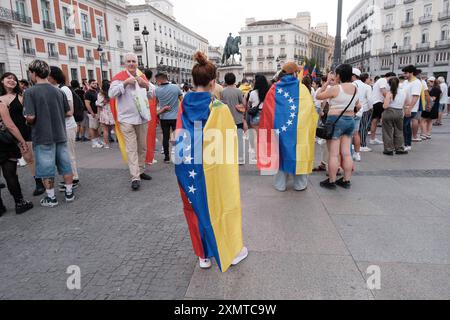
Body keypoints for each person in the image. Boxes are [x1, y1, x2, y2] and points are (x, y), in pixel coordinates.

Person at [175, 51, 248, 271]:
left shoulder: (183, 104)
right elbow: (226, 146)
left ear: (193, 80)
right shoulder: (219, 108)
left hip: (186, 166)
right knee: (220, 204)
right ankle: (230, 250)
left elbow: (178, 135)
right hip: (212, 167)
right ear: (213, 82)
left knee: (194, 208)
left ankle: (203, 255)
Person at [258, 62, 318, 192]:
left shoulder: (274, 88)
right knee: (299, 154)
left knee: (280, 153)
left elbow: (267, 111)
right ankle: (300, 184)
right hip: (298, 130)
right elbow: (310, 111)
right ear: (295, 73)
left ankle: (280, 184)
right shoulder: (302, 89)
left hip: (279, 128)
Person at [23, 60, 75, 207]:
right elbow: (68, 112)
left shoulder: (30, 92)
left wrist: (28, 120)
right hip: (60, 133)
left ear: (34, 73)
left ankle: (51, 198)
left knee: (46, 168)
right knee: (66, 164)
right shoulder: (58, 91)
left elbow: (31, 117)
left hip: (42, 135)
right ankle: (69, 193)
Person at [109, 52, 152, 191]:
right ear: (125, 63)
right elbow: (111, 94)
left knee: (142, 146)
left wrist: (146, 85)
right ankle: (135, 177)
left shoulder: (142, 76)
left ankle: (140, 169)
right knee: (131, 148)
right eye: (129, 61)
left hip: (142, 117)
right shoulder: (119, 78)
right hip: (126, 119)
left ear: (137, 63)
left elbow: (152, 93)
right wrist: (125, 83)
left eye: (134, 61)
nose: (132, 63)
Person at [0, 72, 45, 196]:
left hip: (25, 131)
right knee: (10, 164)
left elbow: (31, 112)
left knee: (29, 158)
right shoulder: (0, 99)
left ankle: (39, 183)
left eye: (14, 79)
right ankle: (16, 191)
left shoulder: (22, 95)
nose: (12, 80)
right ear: (2, 81)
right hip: (8, 135)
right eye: (8, 78)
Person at [316, 64, 360, 189]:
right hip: (350, 121)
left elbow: (318, 95)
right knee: (346, 153)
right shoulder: (355, 89)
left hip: (335, 121)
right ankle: (346, 180)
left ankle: (332, 181)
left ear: (339, 75)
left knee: (334, 154)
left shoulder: (336, 88)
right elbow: (359, 105)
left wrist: (327, 82)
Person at [48, 66, 80, 192]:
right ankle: (70, 178)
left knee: (69, 154)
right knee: (63, 154)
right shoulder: (53, 88)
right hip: (60, 126)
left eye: (48, 75)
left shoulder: (64, 89)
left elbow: (70, 111)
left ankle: (74, 178)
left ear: (53, 76)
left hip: (68, 126)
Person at [0, 97, 34, 215]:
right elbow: (10, 126)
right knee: (10, 175)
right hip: (4, 145)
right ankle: (19, 203)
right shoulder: (0, 105)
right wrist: (22, 141)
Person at [155, 71, 183, 164]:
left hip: (164, 117)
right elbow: (182, 101)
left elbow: (155, 104)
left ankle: (167, 157)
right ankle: (179, 156)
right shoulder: (175, 87)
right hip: (175, 117)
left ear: (159, 79)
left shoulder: (157, 90)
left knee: (166, 137)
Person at [220, 73, 246, 163]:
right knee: (239, 139)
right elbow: (244, 104)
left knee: (228, 138)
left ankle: (230, 157)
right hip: (238, 118)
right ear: (234, 80)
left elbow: (221, 104)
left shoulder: (222, 92)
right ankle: (240, 158)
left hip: (227, 118)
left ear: (226, 81)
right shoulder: (238, 91)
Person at [381, 77, 408, 156]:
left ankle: (388, 149)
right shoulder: (404, 92)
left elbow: (385, 106)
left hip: (389, 112)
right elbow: (407, 102)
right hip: (399, 112)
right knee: (399, 131)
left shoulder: (389, 93)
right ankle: (399, 148)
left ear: (389, 84)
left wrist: (383, 104)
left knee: (387, 131)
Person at [247, 73, 270, 162]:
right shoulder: (268, 92)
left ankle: (258, 156)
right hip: (265, 115)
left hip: (255, 116)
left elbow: (249, 105)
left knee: (257, 137)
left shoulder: (252, 93)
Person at [369, 72, 396, 145]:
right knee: (377, 121)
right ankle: (373, 139)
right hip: (378, 103)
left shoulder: (383, 81)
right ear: (390, 76)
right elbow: (384, 92)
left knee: (376, 121)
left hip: (379, 102)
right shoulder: (383, 80)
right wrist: (390, 100)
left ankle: (373, 138)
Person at [402, 65, 422, 151]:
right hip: (404, 107)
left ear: (411, 73)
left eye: (406, 73)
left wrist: (409, 108)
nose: (404, 75)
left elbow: (415, 97)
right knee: (405, 126)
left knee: (405, 125)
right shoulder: (405, 82)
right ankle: (406, 143)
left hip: (411, 108)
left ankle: (408, 144)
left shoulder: (416, 82)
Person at [96, 80, 115, 149]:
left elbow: (99, 105)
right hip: (112, 112)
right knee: (116, 129)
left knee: (105, 130)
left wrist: (98, 115)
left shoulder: (100, 94)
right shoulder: (112, 93)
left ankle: (107, 145)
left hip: (104, 113)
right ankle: (122, 143)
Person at [84, 79, 103, 148]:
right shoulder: (88, 93)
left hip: (97, 112)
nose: (95, 84)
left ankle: (97, 140)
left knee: (96, 127)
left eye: (95, 83)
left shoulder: (96, 91)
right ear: (89, 84)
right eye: (93, 83)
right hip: (92, 113)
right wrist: (92, 113)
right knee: (92, 127)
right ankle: (94, 142)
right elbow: (87, 104)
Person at [357, 73, 373, 153]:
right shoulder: (367, 87)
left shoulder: (355, 85)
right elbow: (369, 99)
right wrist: (371, 108)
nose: (370, 80)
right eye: (369, 78)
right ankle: (362, 144)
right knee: (363, 127)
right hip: (365, 109)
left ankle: (354, 144)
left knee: (356, 128)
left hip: (355, 109)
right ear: (366, 79)